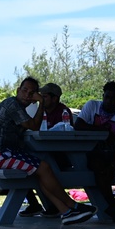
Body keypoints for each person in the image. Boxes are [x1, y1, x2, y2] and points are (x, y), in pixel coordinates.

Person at [0, 77, 96, 226]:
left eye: (32, 92)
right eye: (25, 90)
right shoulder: (12, 105)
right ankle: (73, 205)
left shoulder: (22, 107)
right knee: (44, 167)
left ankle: (66, 211)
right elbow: (34, 126)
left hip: (1, 154)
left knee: (40, 173)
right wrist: (41, 102)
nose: (27, 95)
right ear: (18, 91)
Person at [75, 80, 115, 223]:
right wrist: (103, 131)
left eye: (114, 98)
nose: (109, 101)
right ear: (103, 95)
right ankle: (114, 207)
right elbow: (78, 125)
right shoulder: (92, 106)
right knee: (100, 171)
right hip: (94, 152)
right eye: (107, 97)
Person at [19, 82, 73, 217]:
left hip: (60, 156)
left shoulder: (63, 112)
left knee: (37, 166)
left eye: (45, 97)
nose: (40, 100)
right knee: (22, 166)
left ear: (55, 98)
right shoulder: (39, 111)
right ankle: (36, 204)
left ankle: (60, 206)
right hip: (43, 153)